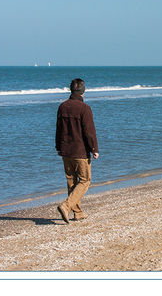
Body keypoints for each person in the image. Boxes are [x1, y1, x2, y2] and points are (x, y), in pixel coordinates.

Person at [55, 78, 99, 223]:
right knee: (85, 180)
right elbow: (89, 132)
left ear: (71, 90)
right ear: (83, 92)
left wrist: (58, 147)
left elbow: (58, 130)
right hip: (80, 151)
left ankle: (78, 213)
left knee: (71, 182)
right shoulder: (84, 108)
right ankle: (66, 206)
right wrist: (94, 149)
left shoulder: (62, 106)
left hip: (65, 150)